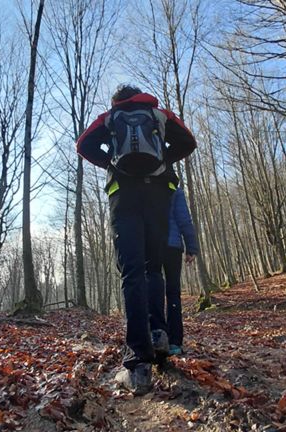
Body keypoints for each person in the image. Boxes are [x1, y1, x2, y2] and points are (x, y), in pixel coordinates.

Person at [76, 84, 196, 395]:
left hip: (123, 196)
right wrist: (161, 163)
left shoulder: (110, 116)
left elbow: (83, 145)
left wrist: (112, 163)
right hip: (157, 197)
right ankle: (159, 334)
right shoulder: (159, 114)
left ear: (116, 101)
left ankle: (138, 365)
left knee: (131, 273)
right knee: (153, 268)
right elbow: (188, 142)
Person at [163, 185, 199, 356]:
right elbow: (184, 219)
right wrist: (191, 247)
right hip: (173, 245)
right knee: (173, 292)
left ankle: (155, 335)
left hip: (151, 244)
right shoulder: (174, 188)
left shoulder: (145, 182)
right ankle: (174, 342)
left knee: (151, 289)